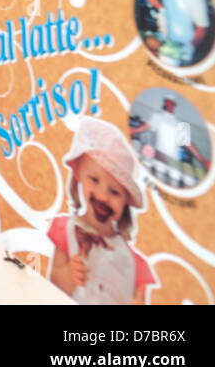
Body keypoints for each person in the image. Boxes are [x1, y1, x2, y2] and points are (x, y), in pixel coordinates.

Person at [47, 118, 155, 305]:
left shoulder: (134, 262)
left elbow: (139, 297)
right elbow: (51, 282)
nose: (103, 196)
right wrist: (68, 275)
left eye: (114, 192)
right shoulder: (65, 230)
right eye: (94, 180)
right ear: (79, 173)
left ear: (125, 201)